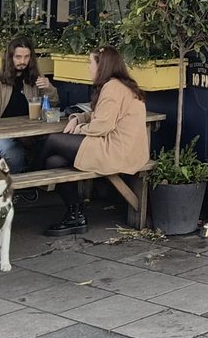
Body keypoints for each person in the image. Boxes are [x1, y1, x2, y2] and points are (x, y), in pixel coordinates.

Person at [38, 46, 149, 237]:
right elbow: (100, 116)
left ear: (102, 66)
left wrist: (79, 128)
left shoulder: (112, 88)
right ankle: (75, 216)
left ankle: (28, 180)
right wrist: (78, 118)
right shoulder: (120, 85)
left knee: (53, 139)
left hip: (115, 151)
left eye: (90, 63)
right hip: (125, 149)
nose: (88, 68)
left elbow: (101, 127)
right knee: (53, 162)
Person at [0, 36, 59, 172]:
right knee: (14, 153)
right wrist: (18, 134)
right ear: (9, 57)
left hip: (31, 132)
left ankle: (33, 183)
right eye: (18, 57)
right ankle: (15, 189)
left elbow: (53, 105)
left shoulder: (34, 76)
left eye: (27, 57)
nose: (23, 61)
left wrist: (48, 87)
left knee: (52, 146)